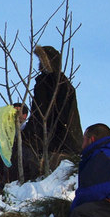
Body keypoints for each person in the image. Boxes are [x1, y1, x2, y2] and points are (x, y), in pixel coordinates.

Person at [19, 45, 83, 179]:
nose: (39, 64)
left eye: (42, 60)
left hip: (57, 143)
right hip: (51, 140)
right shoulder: (50, 82)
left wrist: (37, 132)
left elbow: (49, 113)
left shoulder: (56, 84)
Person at [0, 103, 29, 195]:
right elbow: (0, 163)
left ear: (25, 115)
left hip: (25, 186)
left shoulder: (30, 133)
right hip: (8, 184)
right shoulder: (7, 136)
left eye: (17, 112)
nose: (14, 115)